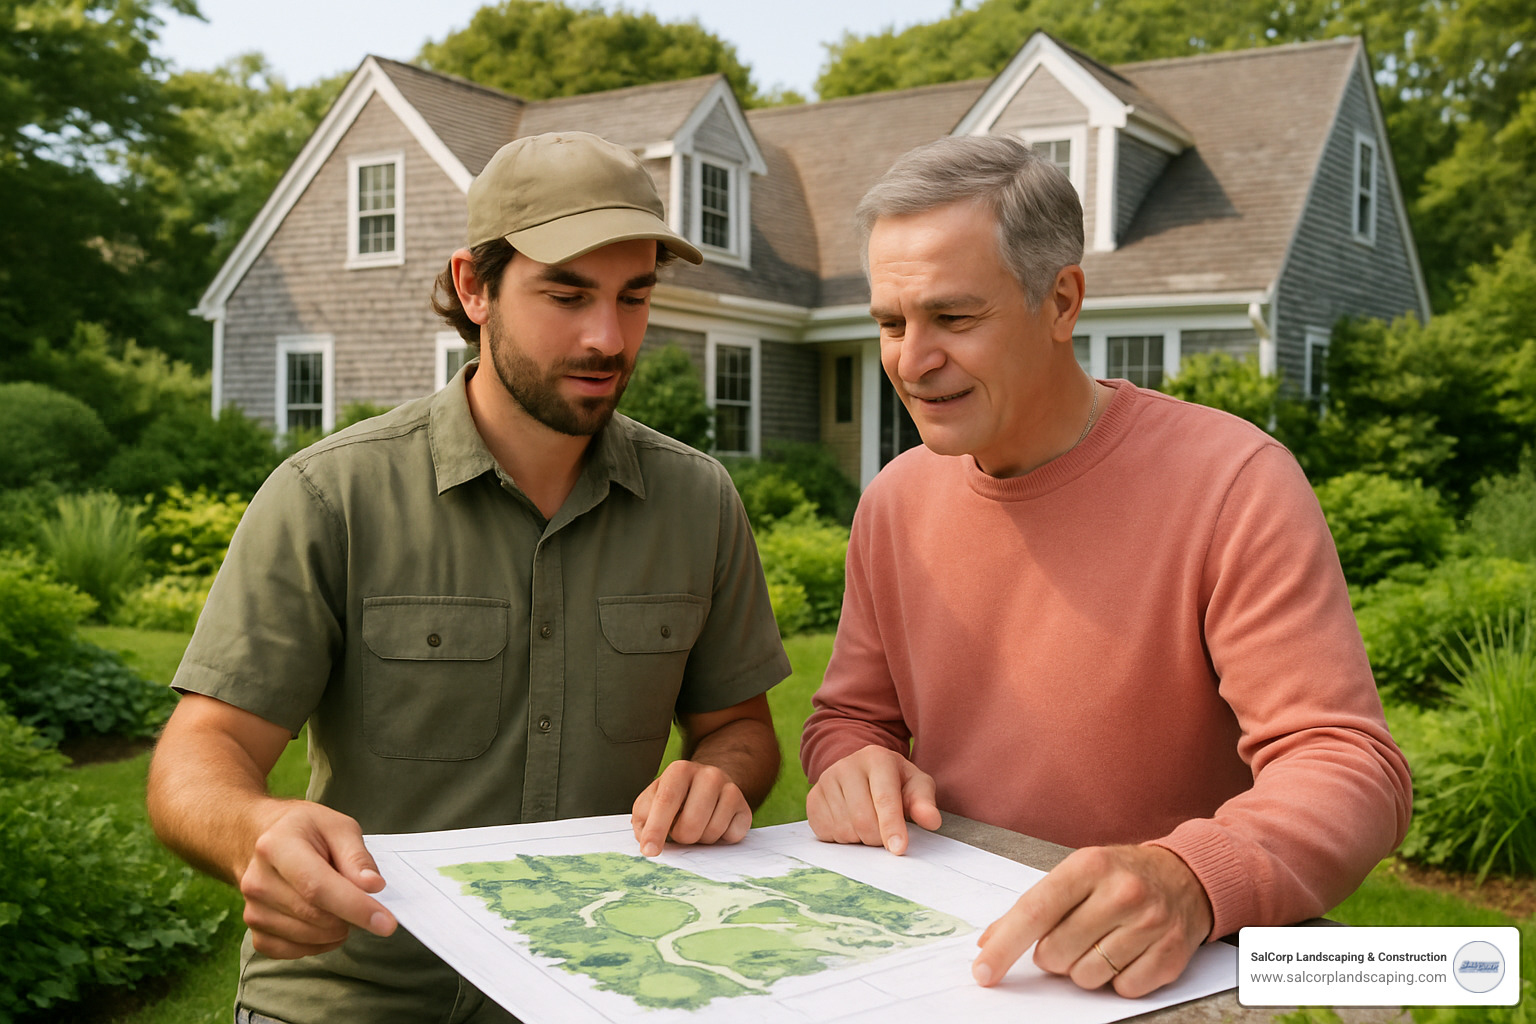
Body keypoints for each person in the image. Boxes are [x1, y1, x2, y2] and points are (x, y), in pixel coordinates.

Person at [147, 131, 790, 1024]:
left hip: (600, 982)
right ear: (473, 286)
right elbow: (197, 755)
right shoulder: (330, 496)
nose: (608, 337)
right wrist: (255, 830)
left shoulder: (699, 501)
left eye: (634, 297)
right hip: (355, 991)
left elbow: (742, 732)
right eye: (566, 295)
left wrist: (720, 777)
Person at [800, 135, 1411, 999]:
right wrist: (849, 766)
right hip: (952, 966)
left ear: (1061, 301)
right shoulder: (894, 501)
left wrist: (1191, 878)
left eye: (954, 317)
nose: (911, 359)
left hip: (1162, 978)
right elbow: (848, 720)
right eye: (892, 324)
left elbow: (1348, 764)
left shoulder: (1232, 482)